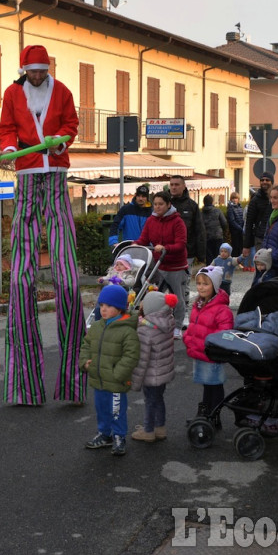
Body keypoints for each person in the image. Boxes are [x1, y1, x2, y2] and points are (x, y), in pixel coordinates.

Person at [0, 45, 85, 405]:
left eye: (41, 70)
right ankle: (25, 387)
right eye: (32, 71)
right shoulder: (12, 92)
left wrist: (60, 138)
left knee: (67, 280)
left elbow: (72, 124)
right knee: (20, 280)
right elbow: (6, 128)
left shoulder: (61, 90)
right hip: (28, 172)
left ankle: (71, 383)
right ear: (24, 70)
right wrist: (6, 148)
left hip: (56, 172)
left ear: (46, 68)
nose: (36, 75)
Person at [80, 285, 140, 456]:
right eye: (102, 305)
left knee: (116, 411)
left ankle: (119, 436)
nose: (103, 309)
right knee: (102, 409)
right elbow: (86, 345)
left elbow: (131, 355)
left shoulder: (127, 330)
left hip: (115, 381)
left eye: (109, 306)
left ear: (120, 308)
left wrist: (117, 374)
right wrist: (85, 362)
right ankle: (104, 434)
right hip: (98, 378)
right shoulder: (97, 326)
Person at [182, 266, 234, 429]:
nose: (201, 287)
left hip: (211, 354)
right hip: (200, 352)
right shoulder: (198, 304)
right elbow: (193, 326)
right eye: (198, 283)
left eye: (205, 284)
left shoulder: (222, 309)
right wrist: (188, 338)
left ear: (215, 286)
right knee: (207, 384)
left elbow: (225, 333)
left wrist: (209, 344)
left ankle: (213, 414)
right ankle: (206, 412)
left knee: (214, 384)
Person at [134, 191, 189, 339]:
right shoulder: (151, 220)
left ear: (168, 204)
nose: (157, 207)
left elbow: (181, 243)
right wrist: (134, 244)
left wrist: (166, 248)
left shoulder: (177, 222)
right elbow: (144, 239)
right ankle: (153, 321)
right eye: (155, 204)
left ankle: (177, 326)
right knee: (152, 295)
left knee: (177, 297)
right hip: (158, 265)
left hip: (175, 265)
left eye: (161, 204)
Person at [129, 291, 178, 442]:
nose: (141, 305)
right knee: (158, 399)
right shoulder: (167, 322)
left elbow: (142, 360)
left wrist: (135, 382)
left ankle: (148, 431)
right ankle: (160, 428)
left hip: (150, 375)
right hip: (163, 373)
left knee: (150, 402)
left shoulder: (146, 330)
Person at [168, 174, 206, 312]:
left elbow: (199, 230)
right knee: (166, 283)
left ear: (183, 187)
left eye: (177, 184)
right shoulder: (164, 204)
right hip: (166, 252)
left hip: (186, 252)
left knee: (184, 283)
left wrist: (201, 256)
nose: (173, 187)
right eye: (171, 184)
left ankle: (182, 312)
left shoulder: (192, 206)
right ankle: (168, 312)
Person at [242, 172, 273, 262]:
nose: (264, 182)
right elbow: (249, 223)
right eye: (262, 180)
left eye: (267, 180)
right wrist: (247, 245)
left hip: (275, 237)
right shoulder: (255, 200)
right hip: (260, 237)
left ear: (272, 182)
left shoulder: (276, 197)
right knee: (261, 264)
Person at [201, 194, 228, 265]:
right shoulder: (217, 211)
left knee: (209, 258)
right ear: (212, 202)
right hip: (218, 236)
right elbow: (224, 223)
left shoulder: (201, 213)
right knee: (219, 256)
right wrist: (222, 231)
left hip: (207, 238)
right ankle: (218, 272)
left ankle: (210, 273)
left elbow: (199, 226)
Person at [226, 191, 244, 256]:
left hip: (241, 230)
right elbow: (232, 221)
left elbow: (242, 218)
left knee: (241, 248)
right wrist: (240, 228)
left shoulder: (240, 207)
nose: (234, 200)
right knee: (235, 248)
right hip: (235, 231)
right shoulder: (230, 208)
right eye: (233, 198)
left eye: (236, 198)